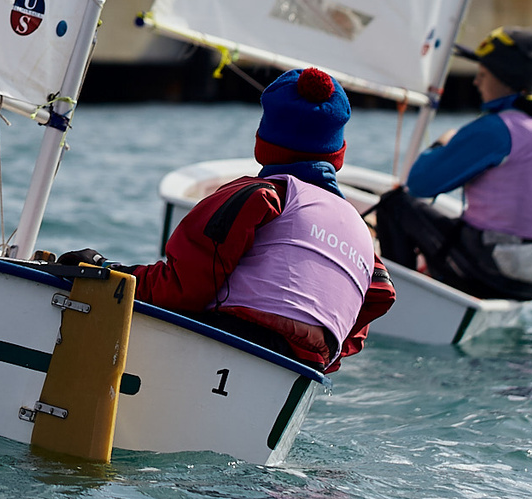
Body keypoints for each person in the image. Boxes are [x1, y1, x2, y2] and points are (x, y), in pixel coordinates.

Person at [61, 67, 394, 374]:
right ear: (338, 151)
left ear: (263, 142)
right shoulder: (361, 234)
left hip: (232, 340)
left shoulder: (260, 196)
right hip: (306, 366)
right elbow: (381, 293)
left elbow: (180, 290)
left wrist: (107, 271)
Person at [372, 26, 532, 301]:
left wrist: (443, 142)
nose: (476, 82)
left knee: (394, 205)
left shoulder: (496, 129)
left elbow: (419, 184)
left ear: (502, 78)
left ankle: (397, 299)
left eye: (482, 74)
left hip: (491, 270)